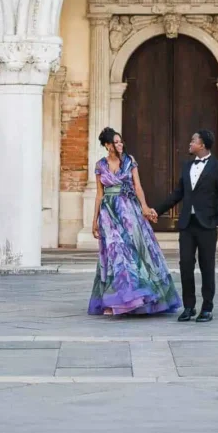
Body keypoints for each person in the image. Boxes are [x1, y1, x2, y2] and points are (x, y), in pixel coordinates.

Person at [88, 127, 181, 317]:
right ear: (107, 145)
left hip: (129, 211)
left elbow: (138, 187)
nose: (120, 144)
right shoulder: (100, 165)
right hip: (109, 213)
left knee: (133, 251)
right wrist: (94, 221)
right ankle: (115, 300)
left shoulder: (130, 162)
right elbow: (99, 195)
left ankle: (138, 297)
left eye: (121, 141)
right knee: (114, 253)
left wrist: (145, 208)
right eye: (116, 141)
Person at [148, 130, 218, 323]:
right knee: (185, 265)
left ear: (202, 145)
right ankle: (189, 307)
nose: (190, 143)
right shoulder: (187, 166)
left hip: (207, 225)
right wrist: (156, 211)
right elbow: (177, 194)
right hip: (187, 224)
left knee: (207, 267)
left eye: (193, 140)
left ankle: (207, 308)